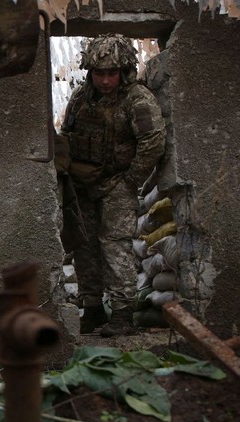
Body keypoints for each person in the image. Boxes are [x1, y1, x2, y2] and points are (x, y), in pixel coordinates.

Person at [56, 34, 166, 337]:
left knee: (115, 244)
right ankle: (91, 309)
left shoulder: (137, 99)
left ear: (124, 71)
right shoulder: (80, 98)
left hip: (118, 182)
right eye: (99, 73)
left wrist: (131, 179)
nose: (105, 80)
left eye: (112, 73)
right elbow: (66, 135)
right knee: (84, 245)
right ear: (91, 73)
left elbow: (153, 141)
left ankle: (121, 313)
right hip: (83, 183)